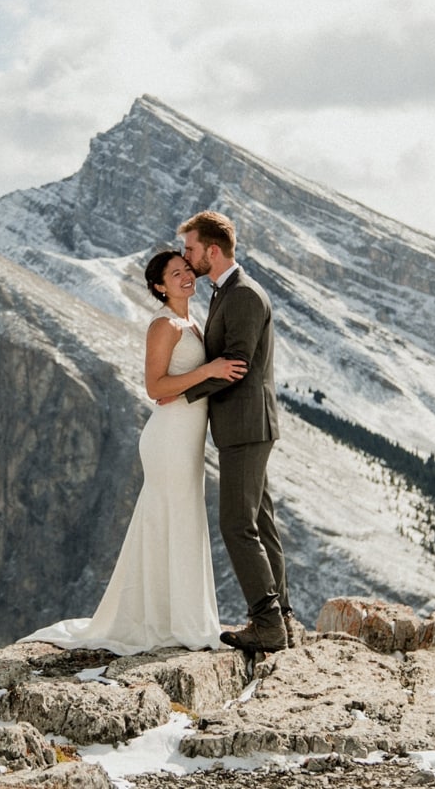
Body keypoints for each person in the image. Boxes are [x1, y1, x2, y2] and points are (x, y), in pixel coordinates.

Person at [21, 250, 246, 654]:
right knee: (172, 517)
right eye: (174, 274)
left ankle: (175, 617)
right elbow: (155, 387)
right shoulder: (164, 325)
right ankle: (172, 623)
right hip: (168, 437)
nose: (185, 277)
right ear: (159, 286)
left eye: (186, 271)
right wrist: (210, 371)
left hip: (187, 436)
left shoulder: (192, 322)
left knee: (180, 518)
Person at [178, 210, 294, 653]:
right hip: (246, 425)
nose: (186, 258)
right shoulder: (226, 292)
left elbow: (237, 366)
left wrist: (182, 392)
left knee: (236, 523)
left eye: (190, 249)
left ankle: (267, 625)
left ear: (212, 249)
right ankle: (281, 617)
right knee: (261, 522)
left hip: (246, 424)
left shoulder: (243, 295)